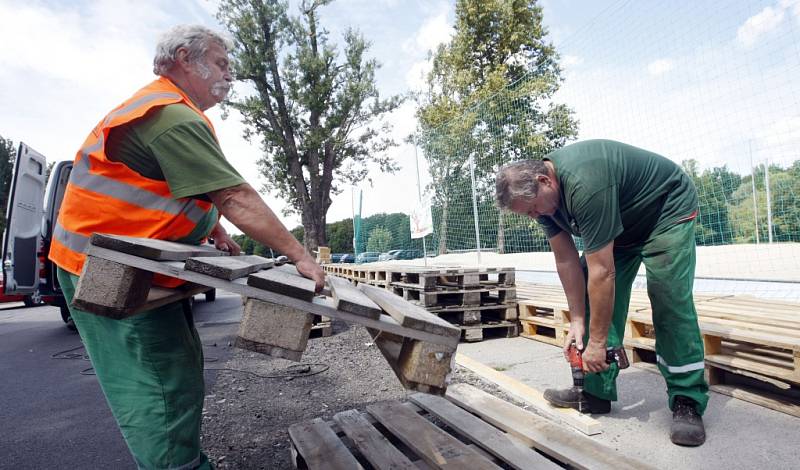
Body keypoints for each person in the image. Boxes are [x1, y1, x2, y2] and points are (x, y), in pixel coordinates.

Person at [49, 25, 325, 468]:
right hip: (106, 272)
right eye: (220, 63)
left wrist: (211, 227)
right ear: (184, 58)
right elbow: (234, 195)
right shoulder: (169, 115)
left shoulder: (170, 110)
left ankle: (184, 461)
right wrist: (299, 255)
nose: (228, 74)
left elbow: (179, 190)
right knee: (157, 386)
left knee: (178, 369)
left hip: (135, 267)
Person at [495, 139, 708, 447]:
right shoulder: (543, 201)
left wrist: (596, 342)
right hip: (621, 224)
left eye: (531, 209)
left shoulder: (585, 183)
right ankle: (594, 392)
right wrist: (578, 321)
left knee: (668, 298)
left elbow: (604, 272)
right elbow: (566, 261)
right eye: (526, 213)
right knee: (586, 288)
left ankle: (687, 401)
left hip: (663, 213)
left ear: (545, 181)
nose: (533, 216)